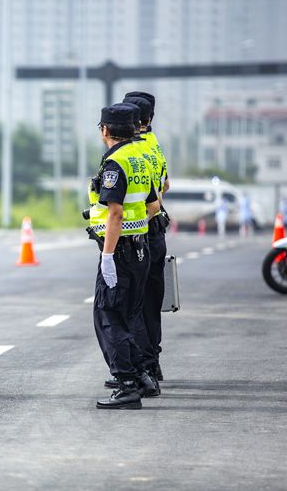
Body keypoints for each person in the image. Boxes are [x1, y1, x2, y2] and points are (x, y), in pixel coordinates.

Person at [86, 104, 160, 409]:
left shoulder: (116, 163)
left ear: (105, 130)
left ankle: (127, 384)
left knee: (108, 317)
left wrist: (107, 256)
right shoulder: (141, 158)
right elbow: (154, 205)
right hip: (141, 248)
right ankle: (141, 375)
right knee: (129, 315)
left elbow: (115, 212)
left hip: (120, 252)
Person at [121, 94, 169, 385]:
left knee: (132, 304)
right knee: (150, 303)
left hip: (137, 234)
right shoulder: (155, 146)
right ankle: (153, 364)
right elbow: (165, 185)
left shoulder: (131, 152)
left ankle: (142, 370)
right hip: (156, 230)